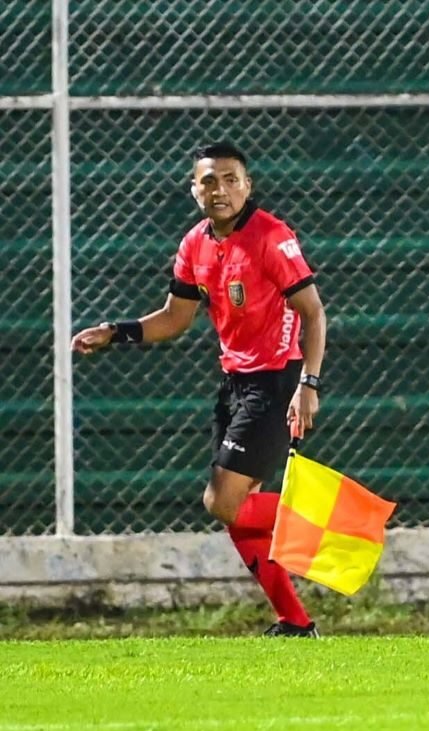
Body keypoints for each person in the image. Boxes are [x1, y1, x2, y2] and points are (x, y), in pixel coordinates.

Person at [72, 142, 327, 637]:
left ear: (247, 186)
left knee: (222, 503)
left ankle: (339, 520)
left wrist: (307, 385)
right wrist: (116, 331)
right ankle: (295, 621)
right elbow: (175, 318)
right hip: (234, 384)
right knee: (236, 515)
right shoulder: (195, 244)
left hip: (276, 382)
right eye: (209, 181)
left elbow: (314, 313)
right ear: (194, 189)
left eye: (231, 179)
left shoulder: (271, 237)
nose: (221, 189)